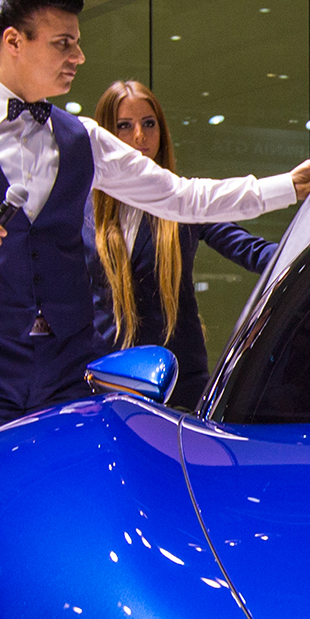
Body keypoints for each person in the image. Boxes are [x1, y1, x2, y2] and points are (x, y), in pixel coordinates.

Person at [0, 0, 310, 451]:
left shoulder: (82, 136)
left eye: (78, 43)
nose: (79, 57)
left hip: (66, 365)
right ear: (14, 42)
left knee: (69, 486)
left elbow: (179, 197)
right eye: (63, 43)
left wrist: (286, 187)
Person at [87, 79, 276, 409]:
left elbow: (252, 251)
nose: (140, 137)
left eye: (149, 124)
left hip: (179, 382)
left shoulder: (183, 203)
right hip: (104, 381)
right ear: (105, 135)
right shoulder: (81, 212)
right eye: (124, 126)